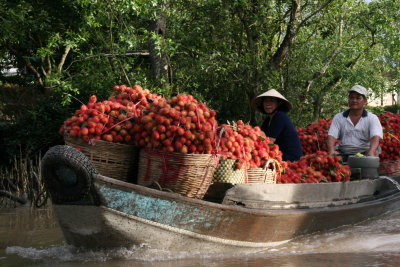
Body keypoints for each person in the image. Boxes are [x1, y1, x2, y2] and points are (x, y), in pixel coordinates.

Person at [327, 85, 383, 161]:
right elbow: (332, 135)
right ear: (348, 100)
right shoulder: (339, 117)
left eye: (358, 98)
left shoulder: (372, 118)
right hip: (343, 152)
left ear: (365, 101)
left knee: (373, 156)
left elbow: (375, 136)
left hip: (364, 153)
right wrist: (331, 150)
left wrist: (372, 150)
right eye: (351, 98)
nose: (354, 100)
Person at [251, 89, 303, 162]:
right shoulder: (267, 120)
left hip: (291, 158)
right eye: (265, 101)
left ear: (278, 103)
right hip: (279, 155)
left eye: (271, 101)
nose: (267, 104)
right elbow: (261, 136)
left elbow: (268, 142)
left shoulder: (280, 116)